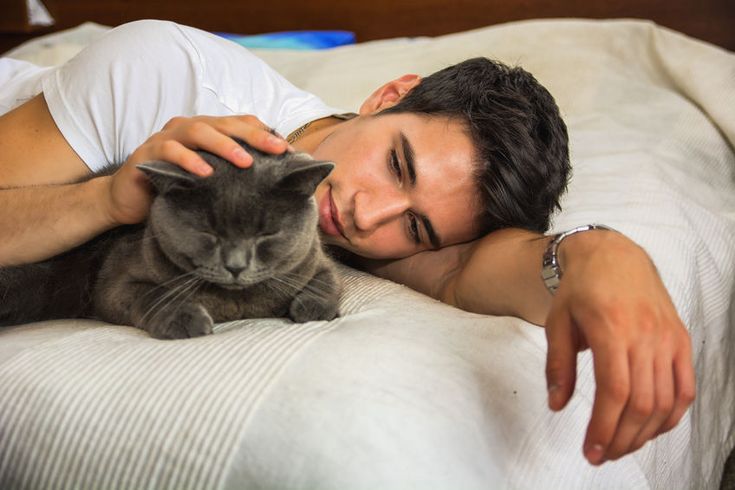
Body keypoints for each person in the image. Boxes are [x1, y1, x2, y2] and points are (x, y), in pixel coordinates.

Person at [0, 19, 693, 466]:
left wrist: (603, 254)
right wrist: (103, 198)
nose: (368, 216)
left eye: (414, 227)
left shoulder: (380, 231)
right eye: (396, 163)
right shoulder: (166, 72)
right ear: (389, 94)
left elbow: (480, 268)